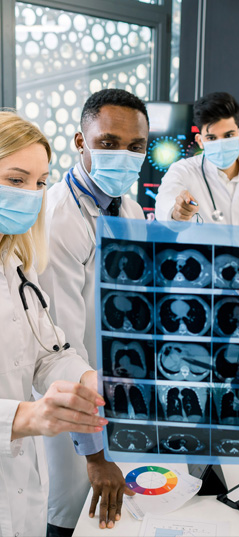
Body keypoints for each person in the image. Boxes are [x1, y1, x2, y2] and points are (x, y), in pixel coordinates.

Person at [38, 89, 148, 535]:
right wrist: (97, 454)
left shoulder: (132, 209)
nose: (123, 155)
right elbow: (62, 349)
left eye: (135, 147)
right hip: (77, 419)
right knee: (68, 516)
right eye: (108, 143)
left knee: (114, 522)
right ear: (81, 143)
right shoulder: (60, 218)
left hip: (117, 394)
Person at [0, 111, 106, 537]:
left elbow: (49, 353)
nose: (33, 194)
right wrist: (26, 417)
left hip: (20, 489)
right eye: (16, 179)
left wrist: (90, 379)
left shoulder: (16, 267)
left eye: (41, 182)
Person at [155, 92, 239, 228]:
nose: (221, 144)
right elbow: (164, 204)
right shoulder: (183, 170)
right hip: (198, 250)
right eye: (211, 138)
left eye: (228, 135)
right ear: (200, 141)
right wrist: (177, 212)